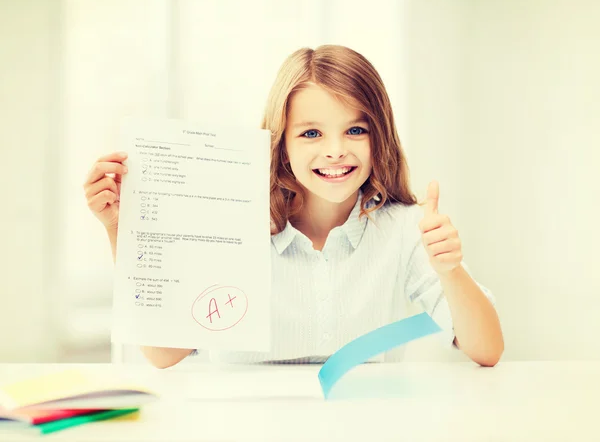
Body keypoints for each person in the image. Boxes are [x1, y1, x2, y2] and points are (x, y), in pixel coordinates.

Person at [83, 45, 503, 369]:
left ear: (380, 139)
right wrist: (120, 228)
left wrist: (451, 271)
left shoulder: (404, 228)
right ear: (281, 143)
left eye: (355, 130)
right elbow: (163, 354)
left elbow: (487, 350)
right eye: (311, 134)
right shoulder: (234, 221)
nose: (335, 151)